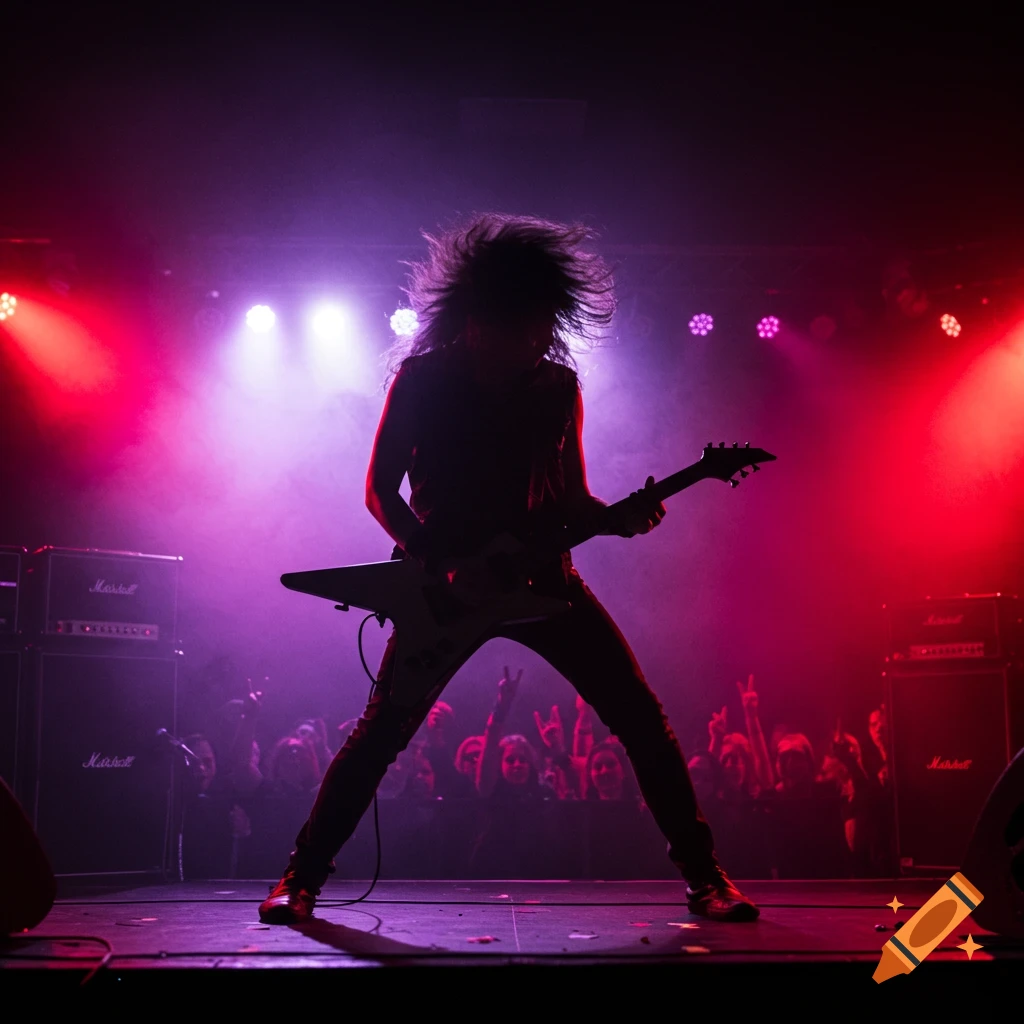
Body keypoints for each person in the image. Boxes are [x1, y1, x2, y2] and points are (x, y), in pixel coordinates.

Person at [259, 214, 758, 923]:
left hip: (545, 582)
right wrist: (436, 562)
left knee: (642, 721)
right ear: (476, 321)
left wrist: (623, 517)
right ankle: (300, 879)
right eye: (516, 328)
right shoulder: (423, 379)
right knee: (381, 735)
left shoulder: (556, 388)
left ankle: (706, 877)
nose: (529, 344)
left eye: (537, 330)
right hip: (444, 589)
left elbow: (575, 501)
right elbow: (378, 489)